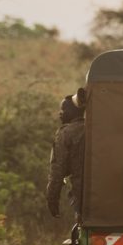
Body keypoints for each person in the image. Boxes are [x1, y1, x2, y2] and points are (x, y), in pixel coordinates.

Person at [45, 89, 86, 217]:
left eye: (63, 110)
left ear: (70, 112)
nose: (60, 114)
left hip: (83, 197)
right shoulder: (96, 129)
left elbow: (57, 172)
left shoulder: (65, 134)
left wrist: (52, 200)